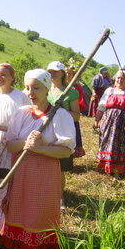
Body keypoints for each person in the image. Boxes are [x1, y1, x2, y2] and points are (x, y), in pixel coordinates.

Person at [0, 68, 76, 249]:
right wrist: (27, 143)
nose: (30, 93)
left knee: (37, 219)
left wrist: (41, 148)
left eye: (36, 88)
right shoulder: (21, 113)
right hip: (21, 174)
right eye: (27, 88)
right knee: (20, 215)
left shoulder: (59, 116)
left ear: (47, 88)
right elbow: (9, 146)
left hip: (44, 176)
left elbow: (66, 151)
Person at [0, 63, 30, 249]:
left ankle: (1, 230)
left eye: (4, 74)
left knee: (4, 185)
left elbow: (28, 120)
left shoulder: (21, 97)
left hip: (11, 145)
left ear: (12, 77)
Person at [93, 70, 125, 179]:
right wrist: (97, 121)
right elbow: (101, 108)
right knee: (106, 142)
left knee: (119, 145)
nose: (120, 80)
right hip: (108, 122)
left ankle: (117, 170)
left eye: (123, 78)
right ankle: (105, 166)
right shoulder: (109, 91)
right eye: (118, 78)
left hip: (122, 124)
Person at [47, 61, 80, 210]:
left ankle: (59, 199)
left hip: (62, 132)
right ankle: (44, 194)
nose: (52, 74)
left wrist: (60, 112)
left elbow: (77, 116)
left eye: (55, 71)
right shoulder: (44, 88)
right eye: (50, 71)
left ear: (62, 73)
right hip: (45, 131)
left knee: (59, 167)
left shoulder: (70, 92)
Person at [65, 65, 86, 158]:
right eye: (66, 73)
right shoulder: (58, 85)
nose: (67, 75)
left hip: (72, 116)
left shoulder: (76, 87)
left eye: (70, 73)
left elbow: (81, 101)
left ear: (74, 75)